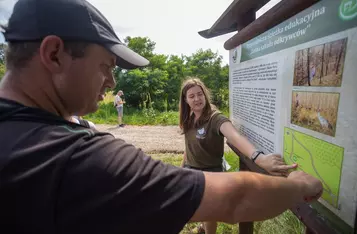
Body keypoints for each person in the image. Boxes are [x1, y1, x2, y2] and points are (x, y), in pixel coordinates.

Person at [0, 0, 322, 234]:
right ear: (54, 54)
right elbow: (234, 200)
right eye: (106, 67)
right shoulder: (76, 157)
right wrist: (297, 186)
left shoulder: (28, 134)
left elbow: (232, 135)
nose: (112, 82)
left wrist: (258, 156)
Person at [179, 78, 298, 234]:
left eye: (200, 94)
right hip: (191, 169)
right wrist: (182, 167)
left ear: (205, 95)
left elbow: (235, 136)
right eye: (192, 96)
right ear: (186, 100)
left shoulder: (215, 118)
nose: (197, 99)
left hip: (210, 174)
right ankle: (202, 227)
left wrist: (259, 158)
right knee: (194, 206)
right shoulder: (188, 118)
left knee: (210, 210)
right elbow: (188, 146)